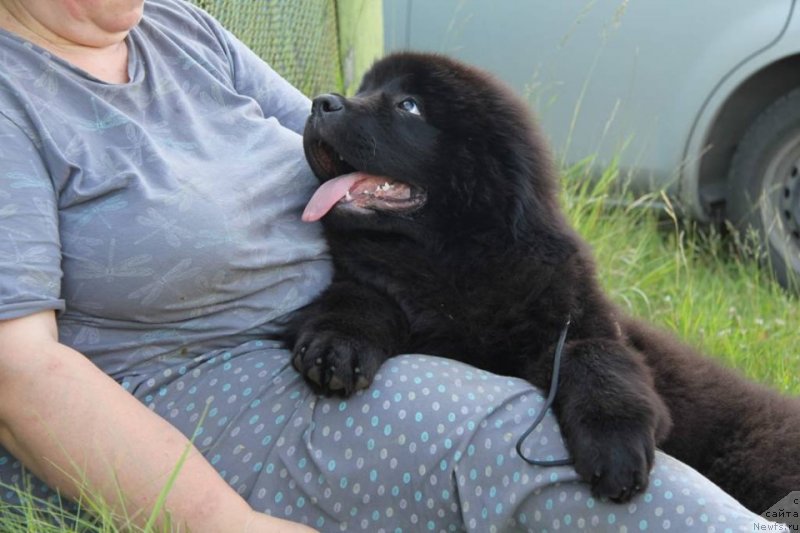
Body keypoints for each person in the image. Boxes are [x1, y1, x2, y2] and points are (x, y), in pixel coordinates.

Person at [0, 0, 789, 531]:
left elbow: (329, 128)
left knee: (615, 378)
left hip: (377, 312)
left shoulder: (177, 29)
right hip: (215, 393)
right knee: (527, 442)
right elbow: (20, 373)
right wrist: (223, 520)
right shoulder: (14, 94)